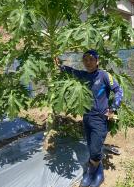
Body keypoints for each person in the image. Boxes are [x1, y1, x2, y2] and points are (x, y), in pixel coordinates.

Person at [54, 49, 123, 187]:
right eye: (85, 60)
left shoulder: (104, 75)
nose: (88, 62)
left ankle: (90, 174)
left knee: (96, 150)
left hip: (100, 119)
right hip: (87, 117)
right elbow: (71, 71)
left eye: (91, 59)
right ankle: (99, 174)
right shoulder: (84, 75)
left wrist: (113, 108)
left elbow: (118, 90)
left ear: (97, 61)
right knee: (91, 148)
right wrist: (59, 66)